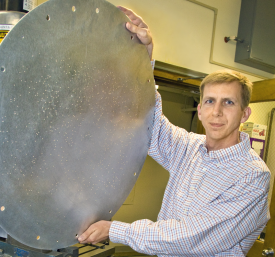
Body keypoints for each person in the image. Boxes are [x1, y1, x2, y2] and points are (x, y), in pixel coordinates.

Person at [78, 6, 270, 256]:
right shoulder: (189, 148)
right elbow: (150, 123)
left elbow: (193, 237)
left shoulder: (252, 176)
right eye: (210, 101)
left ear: (245, 114)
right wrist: (142, 57)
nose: (217, 112)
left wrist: (115, 230)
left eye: (229, 102)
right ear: (199, 110)